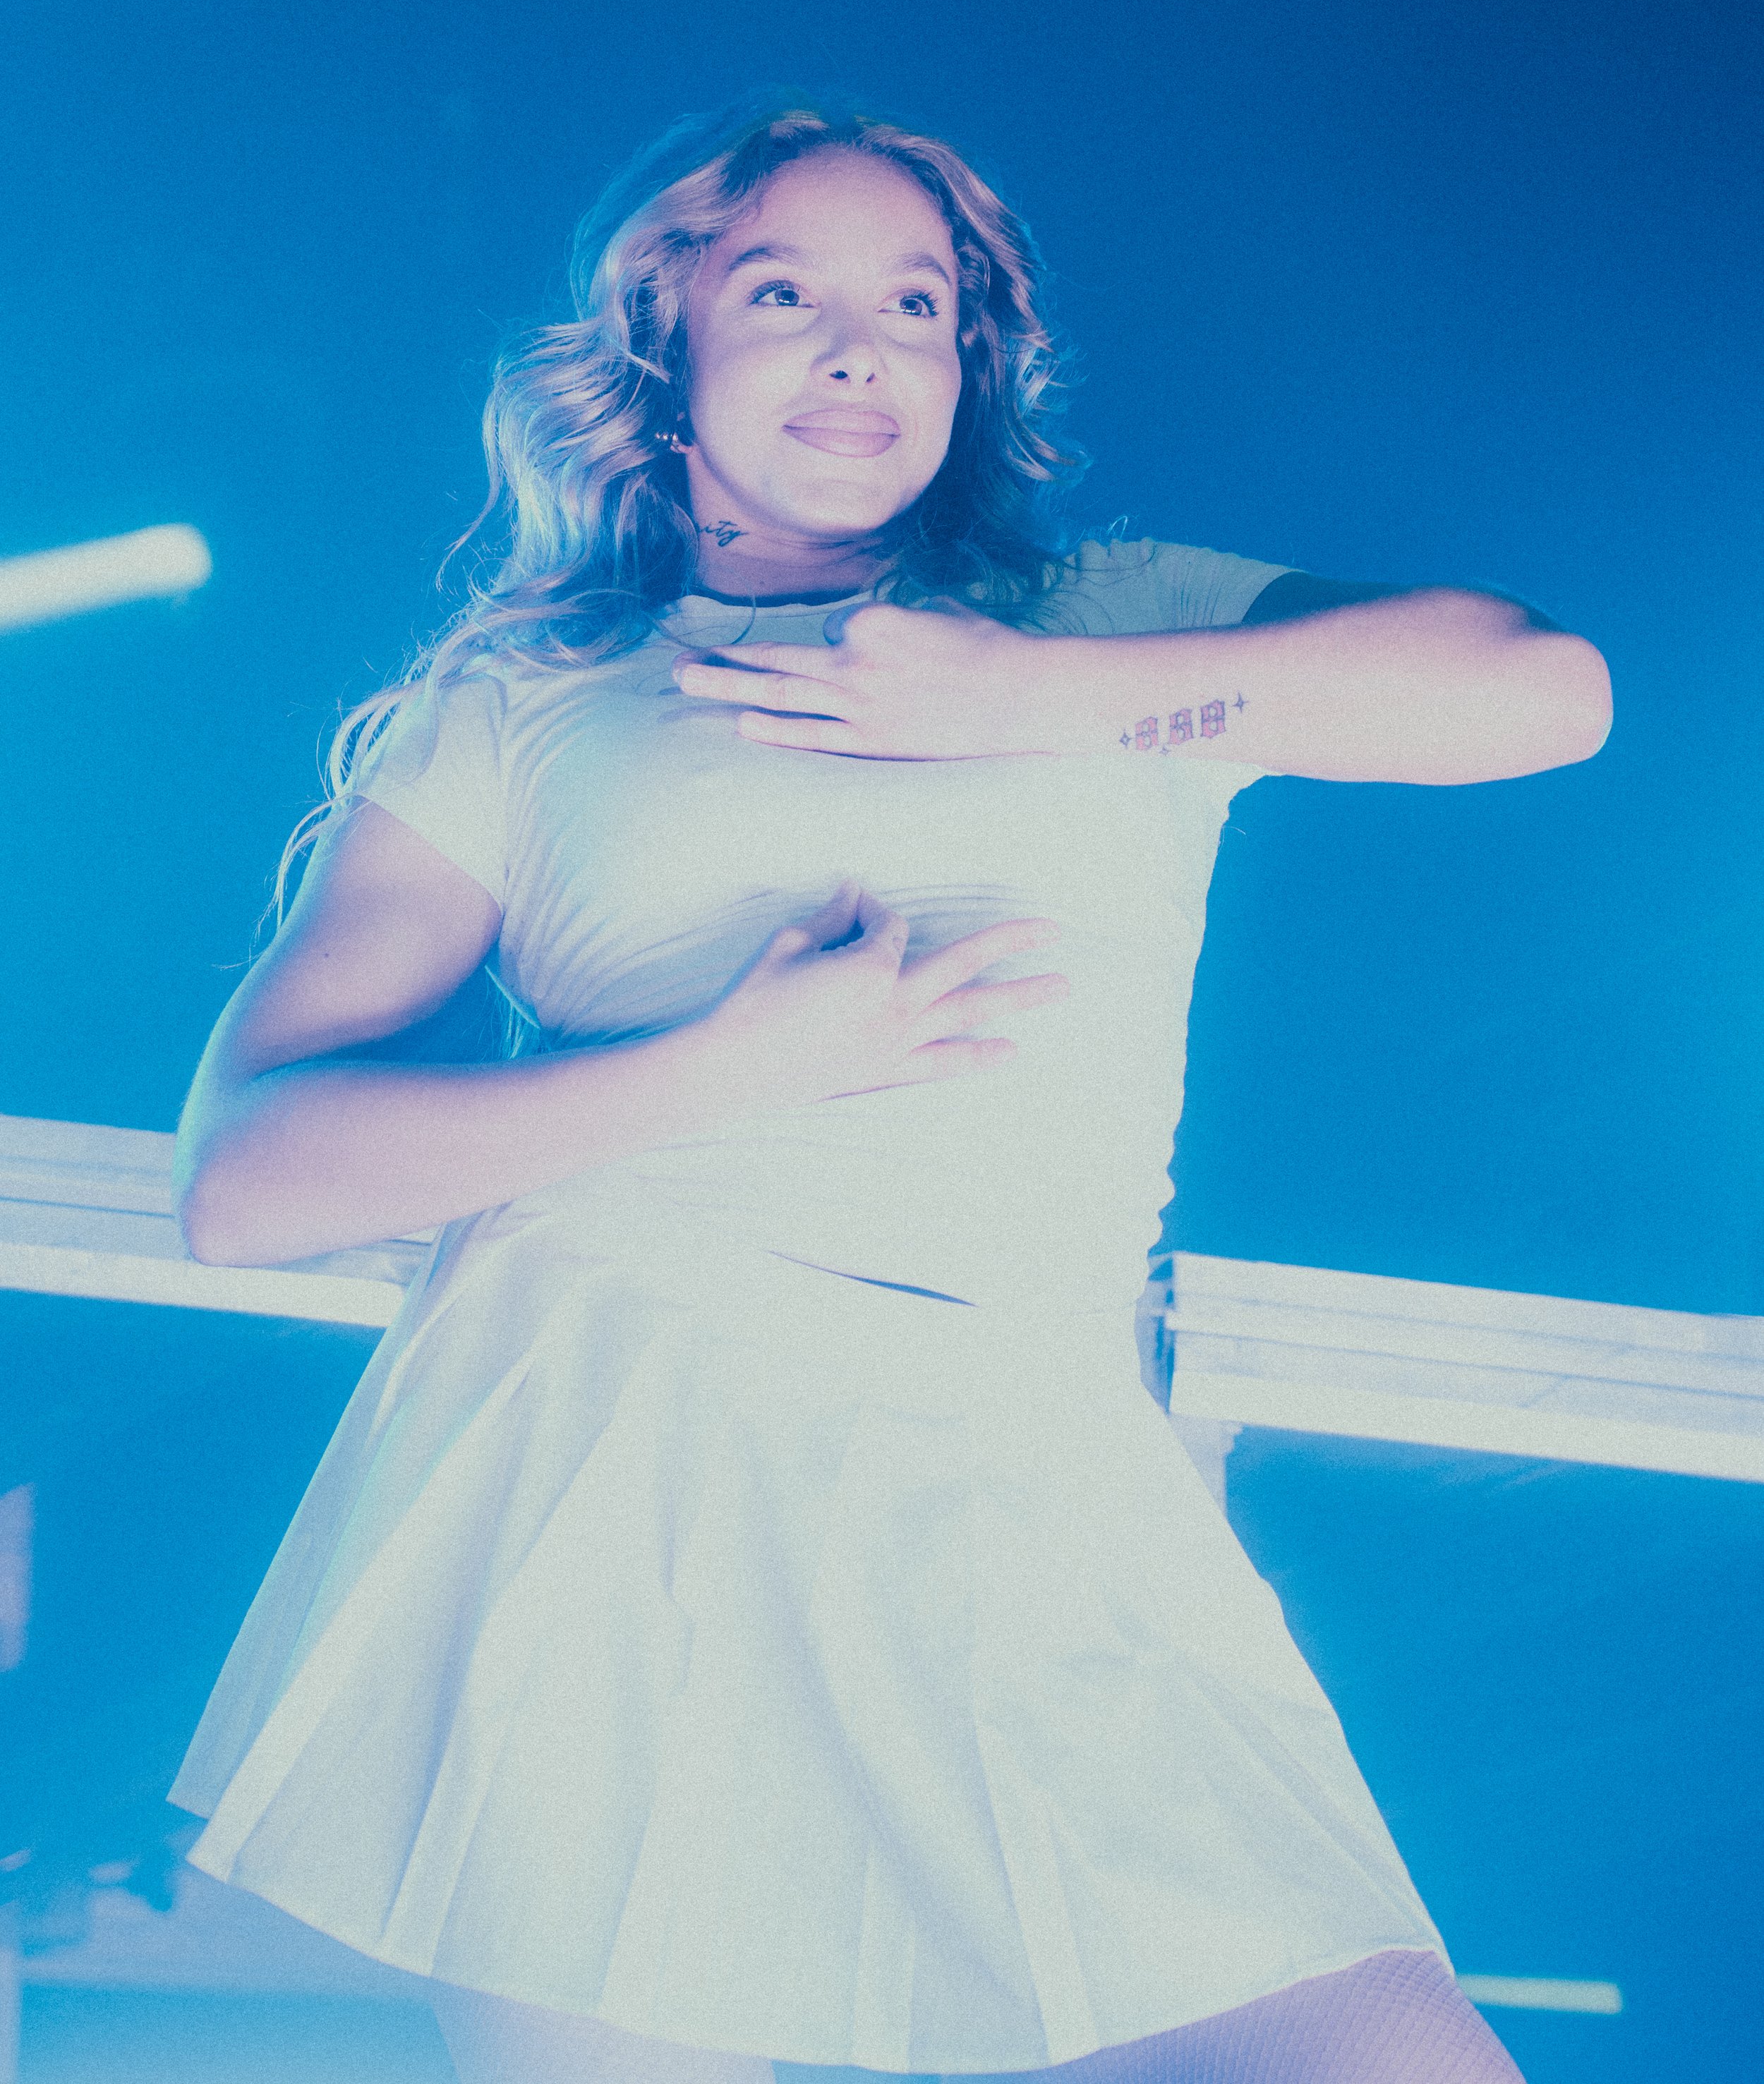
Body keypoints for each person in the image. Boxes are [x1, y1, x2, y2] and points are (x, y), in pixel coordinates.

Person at [168, 107, 1611, 2084]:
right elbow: (242, 1180)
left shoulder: (1105, 613)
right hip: (617, 1463)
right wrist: (722, 1069)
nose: (861, 347)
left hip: (1032, 1452)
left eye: (913, 302)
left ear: (968, 361)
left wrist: (1020, 700)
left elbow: (1543, 691)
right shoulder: (524, 704)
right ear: (660, 337)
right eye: (786, 292)